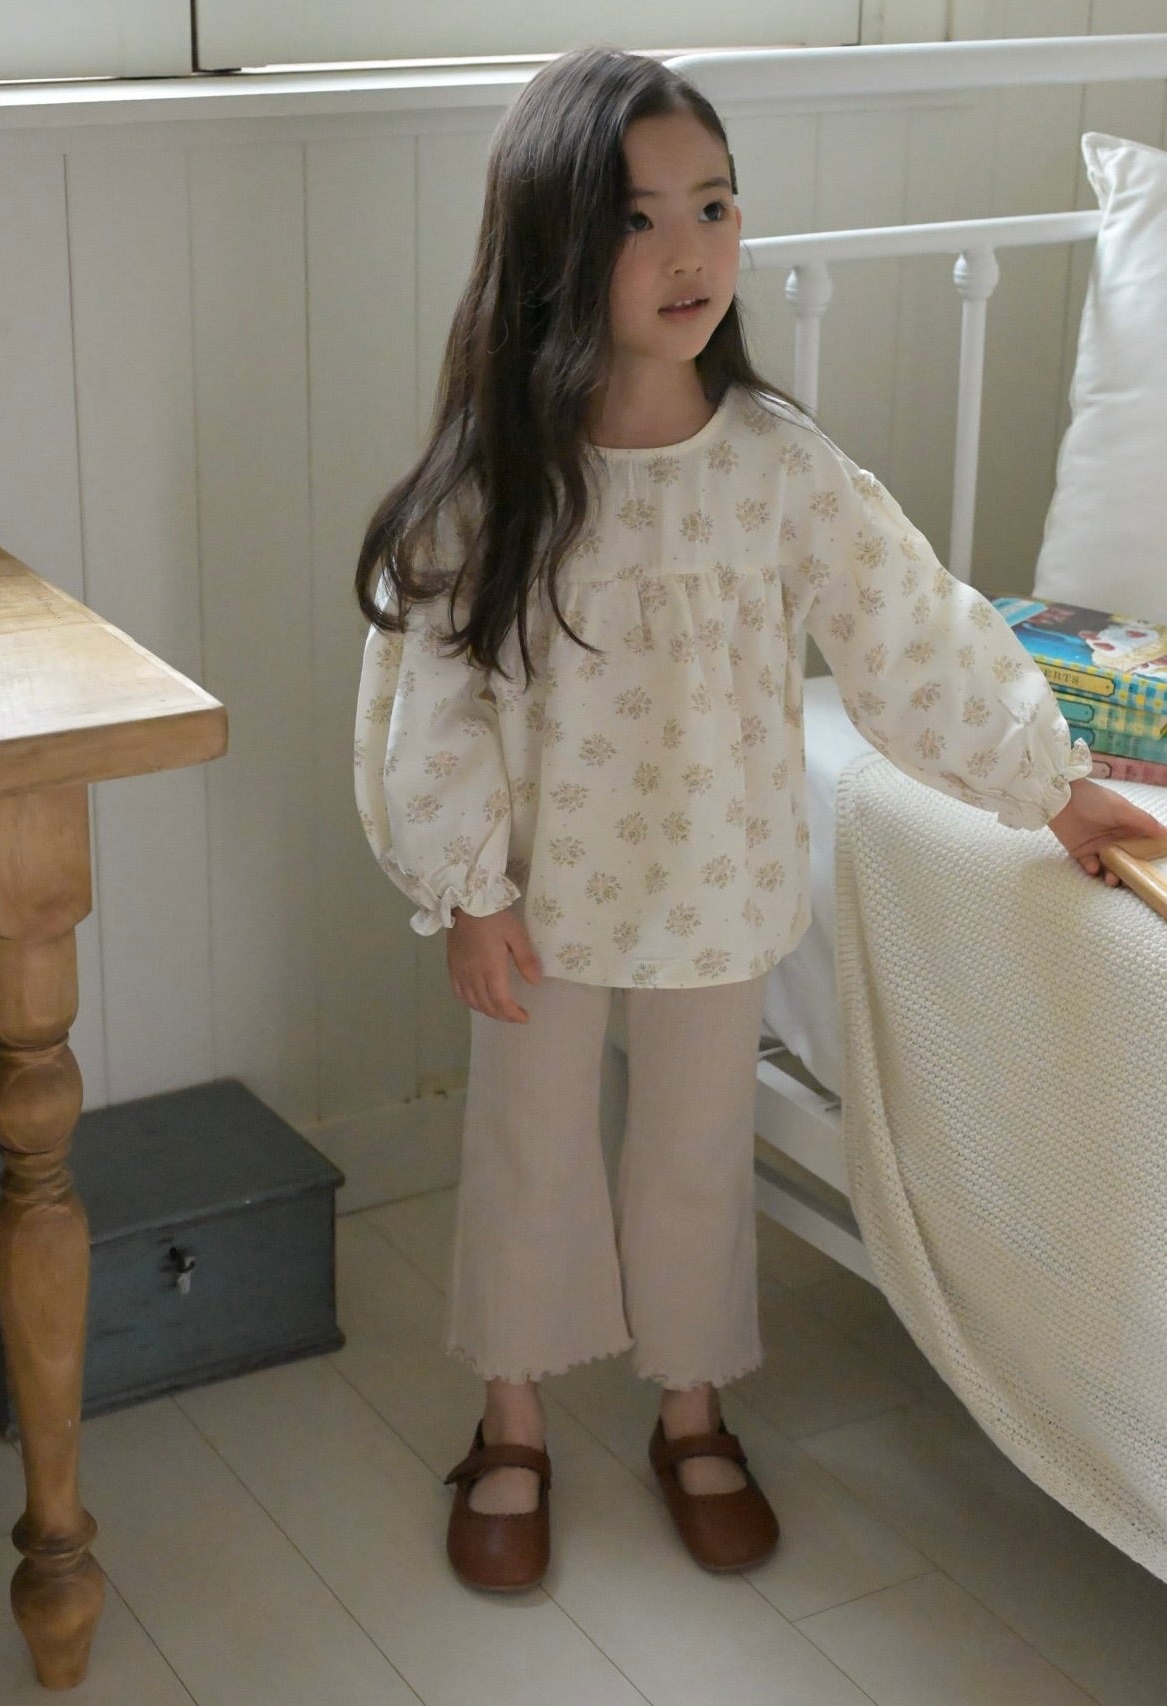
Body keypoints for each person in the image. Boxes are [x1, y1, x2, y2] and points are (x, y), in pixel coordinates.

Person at [352, 45, 1165, 1594]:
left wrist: (1052, 786)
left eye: (714, 207)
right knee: (530, 1145)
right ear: (556, 243)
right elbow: (431, 696)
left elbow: (911, 632)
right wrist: (466, 886)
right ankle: (510, 1417)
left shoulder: (780, 467)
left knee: (694, 1152)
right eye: (639, 217)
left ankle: (693, 1404)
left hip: (720, 885)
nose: (690, 252)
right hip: (538, 889)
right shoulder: (500, 487)